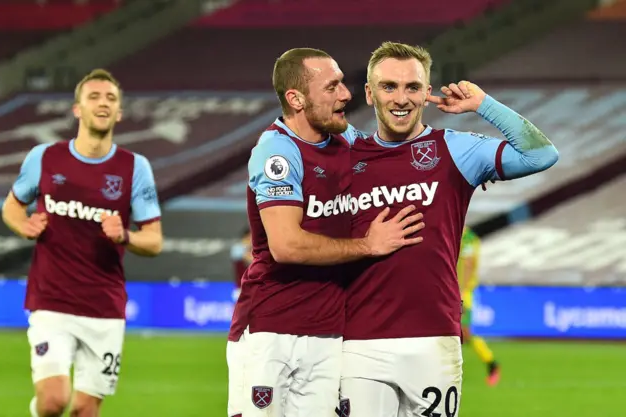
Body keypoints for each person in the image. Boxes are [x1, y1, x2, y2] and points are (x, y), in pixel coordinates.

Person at [341, 42, 558, 417]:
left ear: (428, 93)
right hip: (360, 342)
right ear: (369, 93)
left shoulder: (456, 150)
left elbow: (540, 154)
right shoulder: (345, 156)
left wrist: (483, 105)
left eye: (413, 87)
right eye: (388, 86)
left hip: (435, 339)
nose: (401, 98)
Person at [226, 48, 425, 417]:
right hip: (273, 331)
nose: (345, 95)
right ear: (296, 99)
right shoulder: (278, 152)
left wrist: (459, 174)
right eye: (332, 87)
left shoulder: (345, 141)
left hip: (330, 335)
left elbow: (396, 161)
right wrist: (367, 245)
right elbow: (286, 246)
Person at [1, 69, 163, 417]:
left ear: (119, 113)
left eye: (110, 99)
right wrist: (24, 225)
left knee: (84, 411)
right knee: (53, 400)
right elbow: (12, 206)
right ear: (77, 109)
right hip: (51, 300)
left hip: (104, 306)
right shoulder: (44, 157)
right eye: (94, 97)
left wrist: (125, 236)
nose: (102, 103)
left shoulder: (135, 168)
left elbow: (154, 240)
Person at [458, 226, 500, 386]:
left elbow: (468, 264)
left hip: (462, 293)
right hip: (458, 291)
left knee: (464, 333)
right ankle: (490, 363)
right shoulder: (466, 236)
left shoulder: (467, 238)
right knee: (460, 334)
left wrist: (461, 290)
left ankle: (492, 363)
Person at [230, 227, 252, 301]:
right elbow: (246, 258)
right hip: (240, 289)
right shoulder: (237, 248)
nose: (251, 241)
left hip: (254, 289)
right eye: (249, 238)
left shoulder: (256, 251)